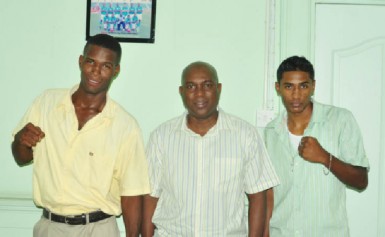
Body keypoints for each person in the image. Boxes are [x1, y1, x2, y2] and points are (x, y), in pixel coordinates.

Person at [11, 34, 150, 237]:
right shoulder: (46, 103)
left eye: (106, 66)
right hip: (50, 227)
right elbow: (21, 158)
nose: (96, 71)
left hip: (98, 228)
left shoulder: (125, 126)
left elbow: (132, 193)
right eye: (91, 62)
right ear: (80, 61)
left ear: (116, 71)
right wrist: (20, 141)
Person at [142, 61, 280, 236]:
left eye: (207, 85)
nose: (199, 93)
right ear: (181, 92)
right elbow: (150, 197)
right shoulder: (161, 137)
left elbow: (258, 196)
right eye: (191, 86)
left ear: (219, 88)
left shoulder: (245, 135)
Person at [263, 56, 369, 236]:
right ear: (278, 88)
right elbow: (268, 192)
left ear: (313, 86)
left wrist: (324, 157)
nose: (296, 95)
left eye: (303, 86)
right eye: (289, 86)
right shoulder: (271, 132)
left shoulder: (340, 120)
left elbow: (361, 181)